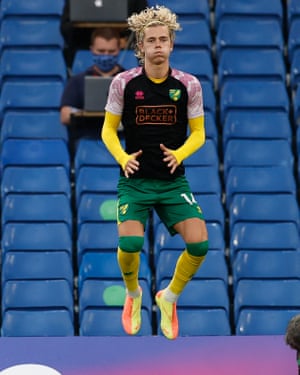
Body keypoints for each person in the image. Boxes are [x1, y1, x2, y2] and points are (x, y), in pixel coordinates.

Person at [101, 6, 209, 340]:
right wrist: (121, 156)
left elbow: (200, 133)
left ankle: (169, 297)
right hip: (135, 180)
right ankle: (133, 295)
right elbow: (107, 130)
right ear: (141, 47)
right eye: (152, 40)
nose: (158, 45)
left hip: (172, 180)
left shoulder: (189, 84)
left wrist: (180, 153)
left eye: (164, 39)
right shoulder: (124, 82)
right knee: (131, 242)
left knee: (200, 244)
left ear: (172, 44)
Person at [60, 27, 124, 148]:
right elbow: (65, 116)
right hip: (88, 141)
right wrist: (83, 114)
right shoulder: (77, 81)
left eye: (111, 52)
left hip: (122, 142)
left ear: (119, 50)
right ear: (92, 50)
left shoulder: (131, 80)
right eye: (101, 51)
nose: (106, 55)